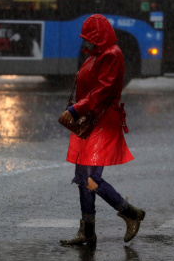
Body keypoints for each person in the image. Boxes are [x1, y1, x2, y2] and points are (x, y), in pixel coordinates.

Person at [59, 14, 145, 246]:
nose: (86, 43)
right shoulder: (97, 55)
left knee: (89, 178)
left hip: (102, 125)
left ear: (100, 37)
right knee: (83, 178)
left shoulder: (111, 55)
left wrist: (76, 110)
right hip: (90, 124)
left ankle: (129, 213)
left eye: (90, 39)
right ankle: (88, 230)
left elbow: (102, 91)